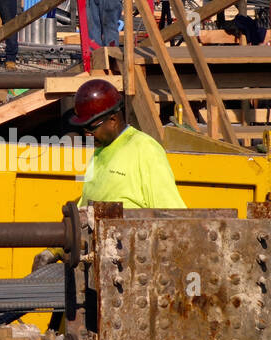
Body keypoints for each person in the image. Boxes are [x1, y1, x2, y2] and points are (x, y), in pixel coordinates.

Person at [32, 79, 185, 269]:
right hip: (100, 262)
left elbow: (172, 214)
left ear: (112, 120)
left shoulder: (144, 149)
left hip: (131, 263)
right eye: (84, 129)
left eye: (91, 127)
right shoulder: (100, 152)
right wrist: (54, 249)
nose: (87, 134)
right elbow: (86, 206)